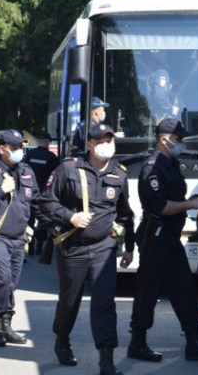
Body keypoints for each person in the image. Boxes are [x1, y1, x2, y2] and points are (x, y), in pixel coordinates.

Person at [127, 118, 198, 362]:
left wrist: (197, 202)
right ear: (164, 139)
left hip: (169, 237)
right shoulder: (153, 168)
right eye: (179, 139)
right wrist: (191, 204)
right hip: (155, 237)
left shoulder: (171, 164)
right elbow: (159, 206)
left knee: (185, 289)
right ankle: (137, 343)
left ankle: (194, 342)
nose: (181, 143)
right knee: (147, 291)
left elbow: (175, 199)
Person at [41, 124, 135, 375]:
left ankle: (106, 359)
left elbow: (126, 215)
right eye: (101, 141)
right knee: (69, 302)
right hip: (73, 248)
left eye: (110, 139)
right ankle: (62, 340)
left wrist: (129, 249)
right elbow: (45, 202)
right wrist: (70, 217)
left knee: (104, 303)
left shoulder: (119, 174)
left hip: (104, 248)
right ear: (89, 145)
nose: (107, 144)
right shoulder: (68, 169)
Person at [0, 129, 46, 347]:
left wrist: (52, 222)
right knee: (2, 280)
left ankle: (7, 324)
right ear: (1, 148)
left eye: (20, 147)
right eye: (14, 148)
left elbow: (36, 202)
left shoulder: (26, 171)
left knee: (12, 283)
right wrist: (0, 191)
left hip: (19, 237)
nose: (18, 151)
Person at [23, 131, 59, 255]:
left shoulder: (30, 155)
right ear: (48, 141)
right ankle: (39, 247)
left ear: (38, 141)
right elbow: (55, 176)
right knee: (43, 220)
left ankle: (30, 245)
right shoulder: (52, 157)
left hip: (29, 190)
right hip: (44, 192)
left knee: (29, 219)